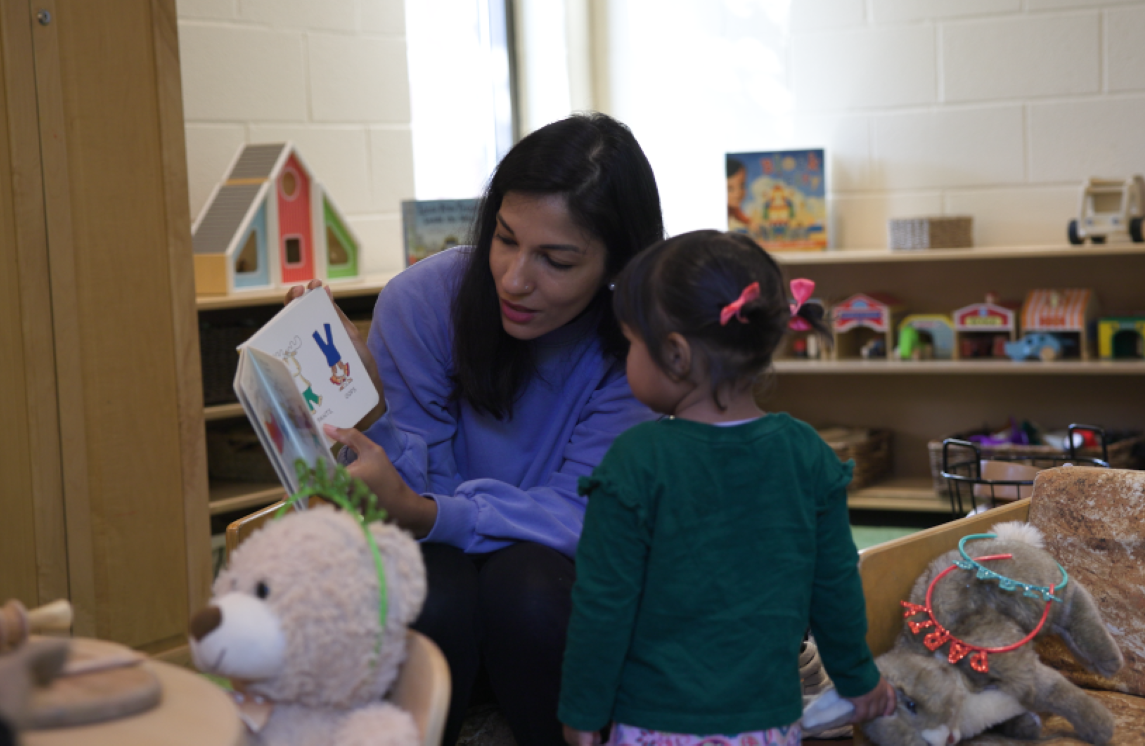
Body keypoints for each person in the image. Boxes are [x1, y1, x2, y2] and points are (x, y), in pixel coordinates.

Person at [289, 113, 665, 746]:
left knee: (525, 584)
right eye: (505, 238)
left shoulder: (637, 347)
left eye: (556, 259)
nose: (516, 279)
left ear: (615, 266)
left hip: (555, 602)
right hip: (441, 589)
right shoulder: (423, 300)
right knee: (436, 587)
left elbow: (586, 517)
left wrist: (432, 513)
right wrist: (370, 409)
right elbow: (402, 507)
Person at [557, 231, 896, 746]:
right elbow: (835, 586)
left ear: (675, 354)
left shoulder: (634, 462)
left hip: (656, 721)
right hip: (769, 722)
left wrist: (582, 712)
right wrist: (857, 678)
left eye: (630, 343)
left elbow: (604, 605)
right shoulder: (806, 453)